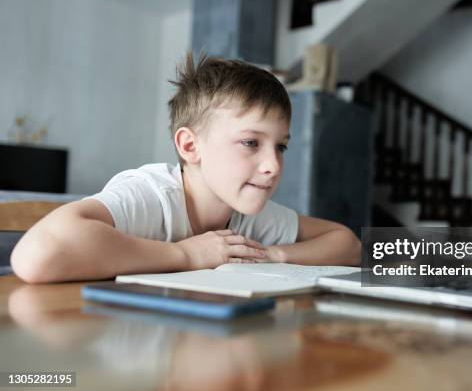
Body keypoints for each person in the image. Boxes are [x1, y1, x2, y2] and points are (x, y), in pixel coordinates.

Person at [11, 52, 361, 283]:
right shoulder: (152, 195)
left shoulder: (248, 214)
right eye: (251, 143)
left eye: (280, 146)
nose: (272, 165)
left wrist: (272, 255)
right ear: (190, 146)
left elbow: (347, 243)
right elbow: (37, 255)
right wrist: (186, 254)